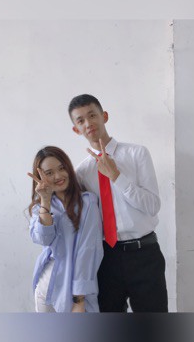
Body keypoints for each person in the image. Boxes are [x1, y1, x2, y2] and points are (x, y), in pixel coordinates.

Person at [68, 94, 168, 312]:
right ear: (76, 130)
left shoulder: (137, 153)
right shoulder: (82, 173)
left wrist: (116, 176)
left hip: (144, 254)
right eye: (81, 120)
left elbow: (153, 206)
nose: (88, 123)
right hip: (106, 259)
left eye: (92, 115)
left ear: (104, 116)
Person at [27, 146, 103, 313]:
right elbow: (43, 239)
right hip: (46, 287)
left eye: (61, 168)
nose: (58, 176)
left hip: (74, 290)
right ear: (41, 177)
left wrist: (79, 299)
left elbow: (88, 251)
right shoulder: (40, 207)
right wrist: (45, 201)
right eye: (49, 173)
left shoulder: (87, 202)